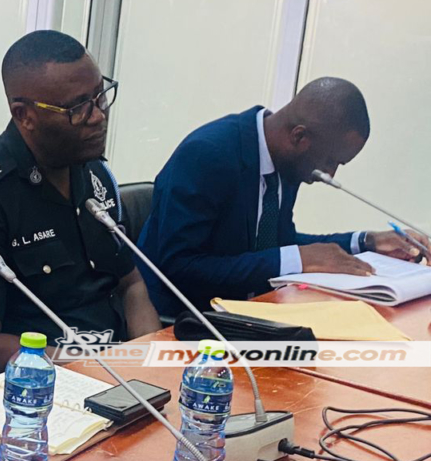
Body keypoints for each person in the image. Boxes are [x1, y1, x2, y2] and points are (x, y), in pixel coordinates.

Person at [0, 30, 161, 382]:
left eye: (100, 96)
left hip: (117, 373)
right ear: (24, 115)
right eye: (78, 107)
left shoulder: (94, 173)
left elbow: (131, 285)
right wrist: (101, 367)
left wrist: (151, 363)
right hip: (39, 386)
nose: (98, 116)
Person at [136, 78, 431, 316]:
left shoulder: (288, 162)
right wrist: (298, 258)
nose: (330, 173)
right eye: (330, 160)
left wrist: (365, 242)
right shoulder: (208, 155)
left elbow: (279, 244)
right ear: (299, 136)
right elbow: (180, 267)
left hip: (251, 312)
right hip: (183, 321)